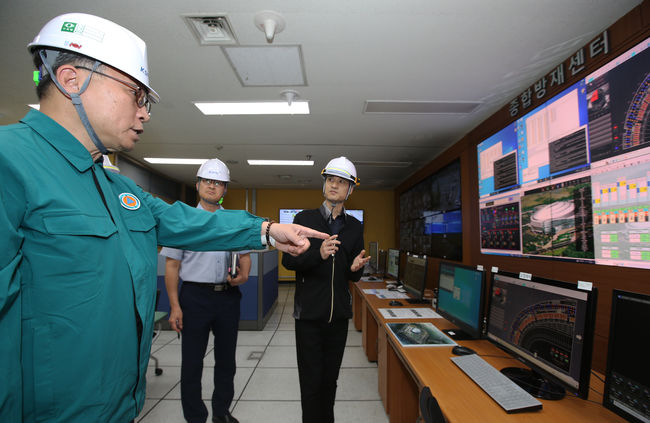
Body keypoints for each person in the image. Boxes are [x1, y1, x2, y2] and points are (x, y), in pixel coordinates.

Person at [0, 13, 327, 423]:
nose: (145, 113)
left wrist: (267, 229)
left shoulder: (116, 187)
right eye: (137, 95)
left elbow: (188, 223)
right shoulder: (9, 163)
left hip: (117, 404)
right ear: (72, 80)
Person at [282, 156, 371, 423]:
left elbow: (353, 276)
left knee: (329, 383)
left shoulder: (354, 227)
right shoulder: (303, 219)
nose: (334, 186)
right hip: (308, 317)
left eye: (341, 182)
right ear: (324, 185)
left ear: (350, 190)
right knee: (310, 385)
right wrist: (317, 254)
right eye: (330, 180)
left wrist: (356, 268)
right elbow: (289, 261)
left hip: (339, 319)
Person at [160, 158, 249, 423]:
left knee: (226, 362)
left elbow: (244, 256)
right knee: (192, 363)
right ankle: (195, 417)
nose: (212, 186)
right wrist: (175, 306)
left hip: (227, 298)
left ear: (225, 190)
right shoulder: (182, 220)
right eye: (208, 181)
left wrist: (243, 275)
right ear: (198, 184)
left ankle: (221, 412)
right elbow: (172, 267)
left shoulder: (232, 221)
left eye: (218, 183)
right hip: (194, 298)